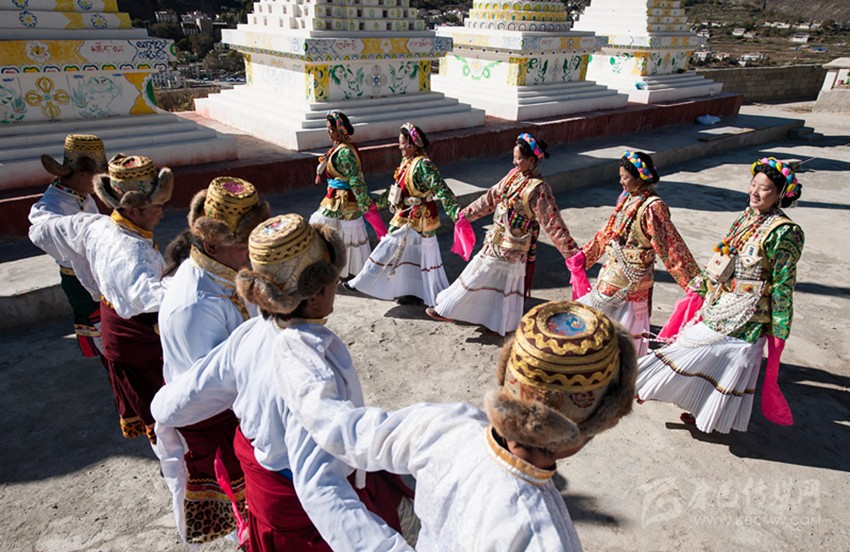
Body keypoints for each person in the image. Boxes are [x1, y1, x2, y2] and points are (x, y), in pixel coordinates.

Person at [276, 300, 637, 551]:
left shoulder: (445, 425)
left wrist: (295, 349)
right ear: (588, 429)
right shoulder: (542, 537)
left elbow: (346, 431)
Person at [151, 214, 413, 552]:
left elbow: (189, 393)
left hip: (266, 492)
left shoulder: (250, 333)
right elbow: (319, 486)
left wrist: (161, 412)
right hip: (301, 515)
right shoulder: (310, 368)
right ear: (316, 294)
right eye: (333, 279)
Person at [636, 157, 805, 433]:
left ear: (779, 195)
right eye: (753, 185)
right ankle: (650, 383)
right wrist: (703, 285)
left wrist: (780, 325)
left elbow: (784, 281)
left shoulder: (785, 232)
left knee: (728, 362)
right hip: (724, 301)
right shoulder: (745, 218)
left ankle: (704, 410)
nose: (754, 192)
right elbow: (723, 255)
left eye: (763, 189)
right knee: (694, 345)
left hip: (751, 312)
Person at [157, 177, 270, 545]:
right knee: (247, 513)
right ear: (211, 243)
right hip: (218, 416)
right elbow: (215, 384)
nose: (250, 253)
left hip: (237, 407)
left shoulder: (226, 273)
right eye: (242, 246)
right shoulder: (196, 304)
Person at [31, 154, 172, 444]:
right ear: (132, 210)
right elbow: (147, 296)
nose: (161, 213)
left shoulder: (98, 224)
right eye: (155, 206)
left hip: (119, 325)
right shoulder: (127, 249)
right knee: (163, 412)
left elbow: (49, 228)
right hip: (136, 335)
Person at [426, 133, 579, 335]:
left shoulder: (539, 190)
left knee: (480, 272)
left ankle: (448, 309)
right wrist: (466, 215)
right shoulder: (512, 177)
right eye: (514, 157)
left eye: (519, 159)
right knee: (487, 276)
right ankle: (494, 319)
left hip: (514, 245)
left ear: (532, 160)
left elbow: (553, 223)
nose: (515, 162)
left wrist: (573, 255)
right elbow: (490, 198)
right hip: (496, 238)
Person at [567, 151, 699, 356]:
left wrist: (693, 283)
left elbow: (671, 247)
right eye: (620, 176)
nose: (621, 181)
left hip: (632, 279)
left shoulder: (653, 207)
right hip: (612, 272)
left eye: (625, 178)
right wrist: (586, 255)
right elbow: (606, 233)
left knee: (611, 323)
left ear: (640, 178)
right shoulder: (626, 199)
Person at [348, 122, 460, 307]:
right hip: (406, 212)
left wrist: (456, 213)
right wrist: (375, 205)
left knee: (393, 243)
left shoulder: (424, 165)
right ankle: (412, 292)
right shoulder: (406, 163)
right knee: (410, 253)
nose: (399, 146)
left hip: (421, 216)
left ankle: (363, 279)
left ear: (411, 143)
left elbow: (442, 189)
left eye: (401, 143)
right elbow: (395, 190)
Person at [28, 134, 107, 358]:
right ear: (82, 174)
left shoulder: (82, 194)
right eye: (96, 177)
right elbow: (42, 231)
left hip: (99, 273)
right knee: (103, 338)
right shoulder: (50, 205)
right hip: (78, 280)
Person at [310, 110, 387, 279]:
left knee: (346, 236)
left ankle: (351, 273)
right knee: (336, 234)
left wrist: (366, 204)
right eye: (327, 128)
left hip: (345, 201)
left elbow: (355, 180)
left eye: (331, 129)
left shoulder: (345, 152)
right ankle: (340, 270)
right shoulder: (339, 147)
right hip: (335, 199)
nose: (328, 132)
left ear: (340, 129)